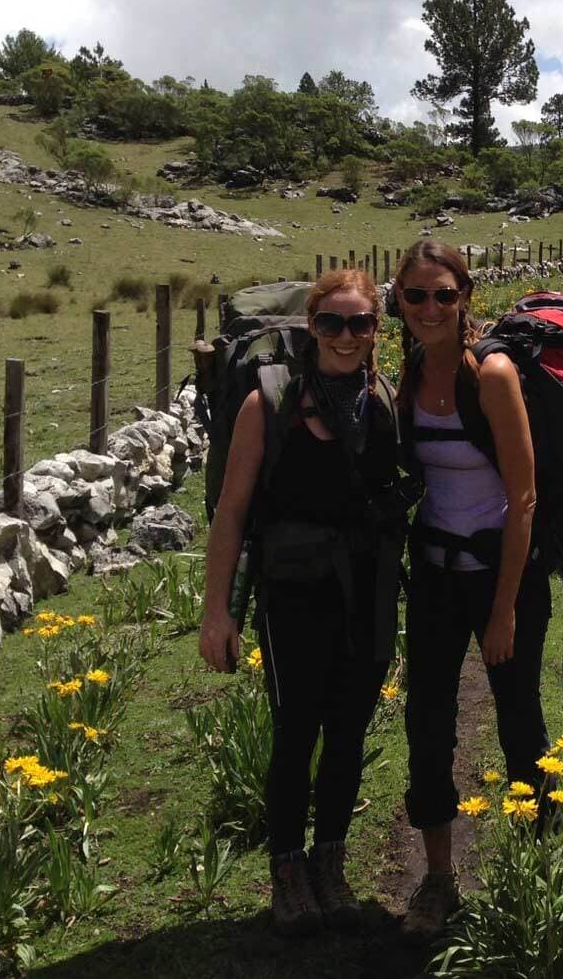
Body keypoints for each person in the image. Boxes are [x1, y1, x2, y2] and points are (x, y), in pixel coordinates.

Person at [198, 269, 408, 937]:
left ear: (377, 330)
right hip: (292, 596)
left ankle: (331, 861)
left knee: (347, 733)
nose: (346, 337)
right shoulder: (272, 401)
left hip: (367, 594)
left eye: (360, 324)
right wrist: (217, 610)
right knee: (296, 733)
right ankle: (288, 870)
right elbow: (231, 515)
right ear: (309, 327)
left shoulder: (382, 399)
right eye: (331, 323)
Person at [392, 240, 551, 943]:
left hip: (498, 572)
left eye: (442, 295)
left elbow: (524, 497)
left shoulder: (492, 374)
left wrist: (504, 606)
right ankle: (437, 876)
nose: (429, 309)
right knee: (426, 724)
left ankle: (540, 869)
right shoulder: (405, 374)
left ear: (465, 298)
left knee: (519, 720)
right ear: (399, 302)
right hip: (432, 574)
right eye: (415, 296)